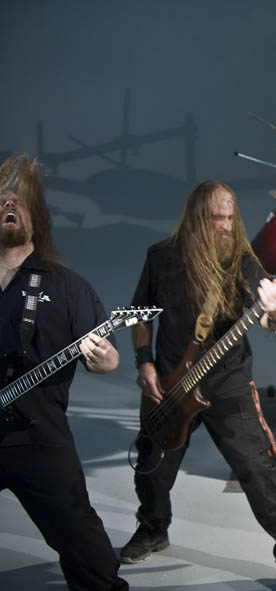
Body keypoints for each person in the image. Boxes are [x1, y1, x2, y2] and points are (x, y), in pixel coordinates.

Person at [122, 180, 276, 591]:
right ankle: (153, 527)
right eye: (216, 218)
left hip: (227, 384)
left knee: (258, 469)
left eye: (230, 218)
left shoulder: (242, 261)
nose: (226, 226)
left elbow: (269, 321)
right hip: (171, 386)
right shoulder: (162, 258)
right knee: (152, 465)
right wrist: (144, 363)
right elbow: (140, 314)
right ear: (196, 218)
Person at [0, 154, 128, 590]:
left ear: (36, 220)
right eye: (0, 201)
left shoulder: (67, 287)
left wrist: (104, 359)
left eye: (17, 202)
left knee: (85, 547)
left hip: (40, 436)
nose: (8, 206)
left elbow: (108, 359)